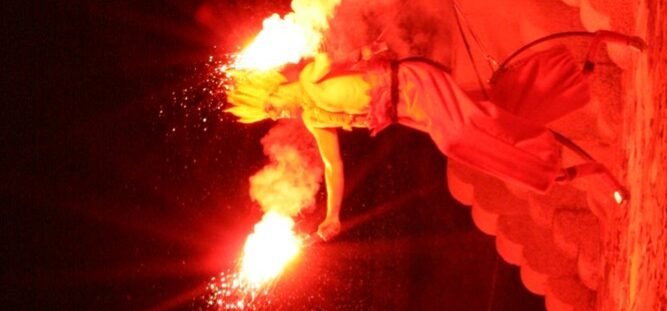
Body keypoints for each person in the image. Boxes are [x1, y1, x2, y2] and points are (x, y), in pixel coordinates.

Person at [226, 32, 642, 241]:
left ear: (274, 85)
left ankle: (548, 163)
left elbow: (327, 50)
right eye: (269, 115)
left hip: (414, 84)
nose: (276, 114)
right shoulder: (315, 118)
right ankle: (583, 67)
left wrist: (354, 50)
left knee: (458, 136)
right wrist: (333, 215)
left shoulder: (310, 78)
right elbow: (333, 166)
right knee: (495, 111)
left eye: (270, 105)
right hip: (411, 112)